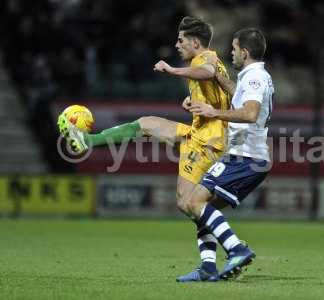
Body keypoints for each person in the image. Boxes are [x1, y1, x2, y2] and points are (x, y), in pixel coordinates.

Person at [57, 16, 230, 276]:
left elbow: (207, 72)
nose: (176, 44)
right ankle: (87, 141)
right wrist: (190, 99)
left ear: (195, 42)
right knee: (147, 123)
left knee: (188, 203)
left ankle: (232, 246)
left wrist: (173, 71)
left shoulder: (204, 60)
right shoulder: (210, 61)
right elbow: (215, 87)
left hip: (207, 141)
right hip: (199, 133)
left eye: (181, 40)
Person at [175, 27, 274, 282]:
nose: (231, 53)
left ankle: (237, 250)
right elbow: (240, 98)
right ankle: (208, 267)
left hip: (245, 157)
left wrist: (213, 112)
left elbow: (250, 113)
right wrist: (219, 81)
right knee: (198, 207)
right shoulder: (253, 76)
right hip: (248, 157)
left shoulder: (254, 78)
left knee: (194, 202)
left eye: (233, 49)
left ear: (244, 51)